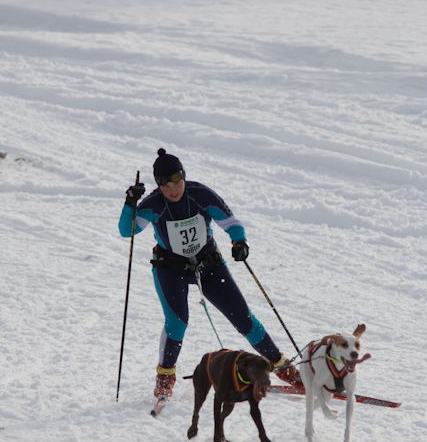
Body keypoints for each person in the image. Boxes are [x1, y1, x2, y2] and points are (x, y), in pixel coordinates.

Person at [118, 148, 303, 399]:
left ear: (184, 177)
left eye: (177, 181)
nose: (173, 190)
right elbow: (127, 231)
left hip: (208, 265)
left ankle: (282, 366)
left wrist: (239, 242)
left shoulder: (200, 195)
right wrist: (131, 204)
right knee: (177, 322)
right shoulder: (153, 204)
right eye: (166, 185)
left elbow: (231, 222)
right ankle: (165, 376)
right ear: (158, 185)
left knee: (244, 319)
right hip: (170, 269)